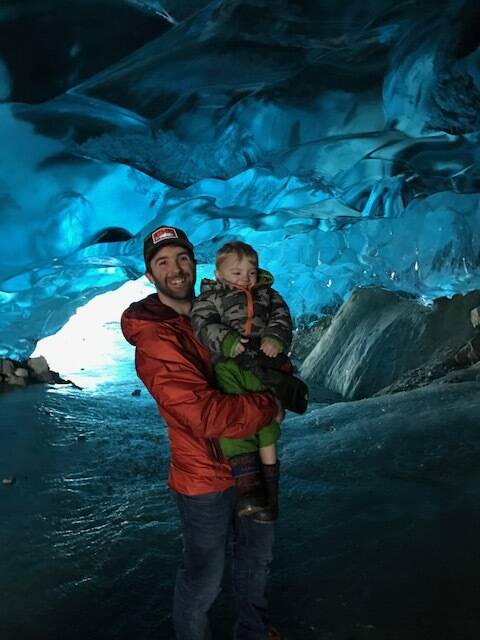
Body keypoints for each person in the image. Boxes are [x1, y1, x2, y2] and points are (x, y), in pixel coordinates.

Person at [121, 226, 283, 640]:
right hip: (203, 477)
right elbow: (207, 416)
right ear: (149, 274)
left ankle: (253, 631)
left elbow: (262, 359)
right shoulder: (155, 337)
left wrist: (276, 369)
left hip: (252, 459)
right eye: (163, 262)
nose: (175, 270)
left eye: (182, 259)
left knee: (257, 560)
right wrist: (269, 404)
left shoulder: (217, 310)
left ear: (196, 264)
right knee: (204, 579)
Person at [191, 241, 308, 524]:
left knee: (267, 421)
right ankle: (248, 486)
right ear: (219, 274)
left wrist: (275, 338)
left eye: (251, 272)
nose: (246, 279)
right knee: (235, 419)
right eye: (237, 273)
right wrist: (228, 342)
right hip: (229, 365)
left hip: (261, 364)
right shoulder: (212, 297)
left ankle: (270, 495)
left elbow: (282, 316)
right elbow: (202, 323)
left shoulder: (268, 294)